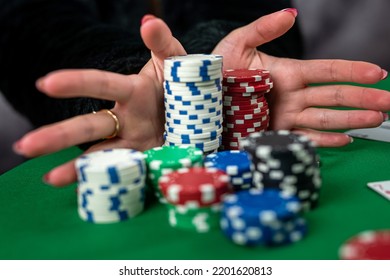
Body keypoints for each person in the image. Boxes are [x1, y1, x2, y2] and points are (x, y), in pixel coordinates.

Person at [1, 1, 389, 187]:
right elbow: (24, 27)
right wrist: (126, 76)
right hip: (74, 135)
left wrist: (211, 57)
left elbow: (264, 13)